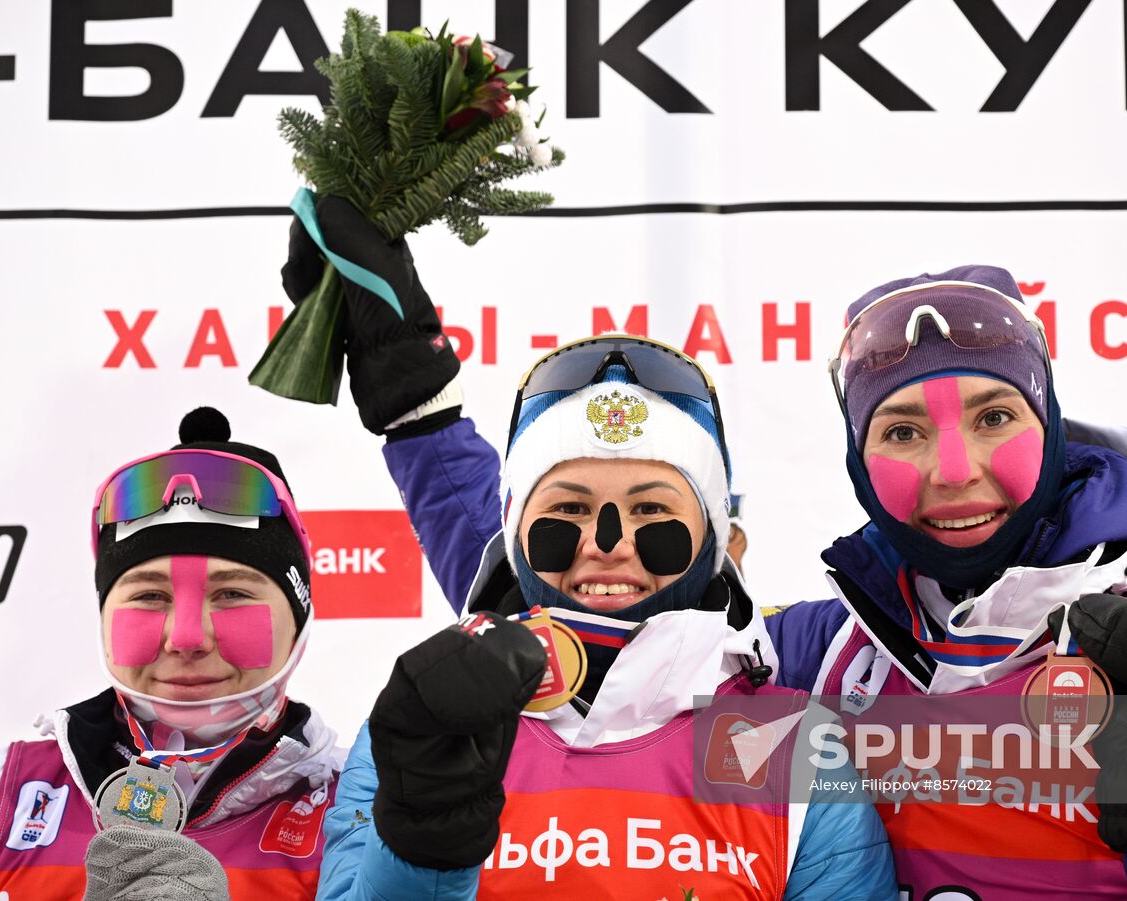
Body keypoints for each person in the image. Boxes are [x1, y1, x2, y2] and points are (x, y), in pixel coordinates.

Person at [277, 197, 897, 899]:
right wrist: (423, 850)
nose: (607, 544)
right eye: (567, 510)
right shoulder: (429, 720)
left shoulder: (794, 745)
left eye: (652, 510)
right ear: (513, 536)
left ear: (716, 541)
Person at [759, 265, 1127, 898]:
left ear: (1049, 428)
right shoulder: (812, 653)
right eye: (902, 432)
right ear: (858, 462)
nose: (954, 472)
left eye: (994, 418)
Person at [0, 408, 341, 900]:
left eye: (233, 594)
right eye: (149, 597)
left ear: (298, 615)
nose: (187, 637)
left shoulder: (367, 813)